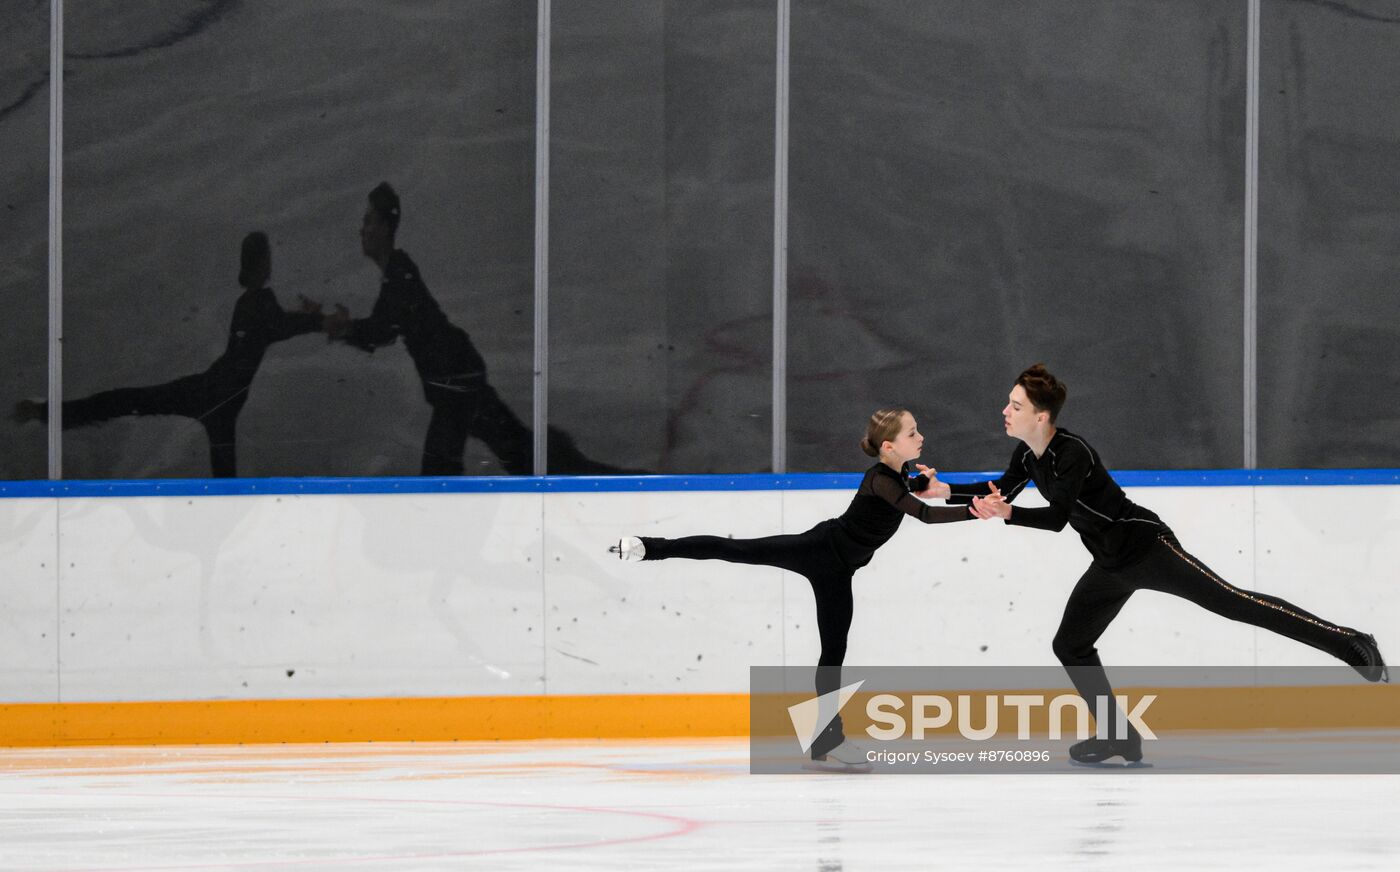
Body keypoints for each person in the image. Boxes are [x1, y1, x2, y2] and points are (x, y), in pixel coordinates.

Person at [923, 363, 1388, 766]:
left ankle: (1350, 642)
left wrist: (1008, 515)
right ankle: (1118, 735)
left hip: (1149, 548)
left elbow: (1057, 518)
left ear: (1041, 417)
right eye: (1009, 403)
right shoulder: (1027, 453)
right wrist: (948, 492)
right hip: (1110, 563)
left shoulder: (1073, 452)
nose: (1006, 411)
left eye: (1016, 405)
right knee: (1071, 644)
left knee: (1233, 602)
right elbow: (1001, 489)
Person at [611, 408, 974, 771]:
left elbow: (906, 494)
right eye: (913, 433)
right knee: (736, 549)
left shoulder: (900, 474)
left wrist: (924, 486)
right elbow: (922, 514)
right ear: (890, 446)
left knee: (834, 650)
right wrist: (974, 511)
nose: (921, 437)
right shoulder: (880, 478)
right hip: (818, 550)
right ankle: (649, 547)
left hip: (839, 571)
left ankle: (825, 741)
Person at [324, 182, 634, 476]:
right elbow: (387, 327)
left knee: (442, 474)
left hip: (455, 385)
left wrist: (346, 329)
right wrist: (348, 329)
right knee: (516, 453)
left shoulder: (400, 273)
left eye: (368, 222)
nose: (361, 230)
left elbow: (383, 329)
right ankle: (576, 468)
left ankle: (590, 475)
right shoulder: (398, 273)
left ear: (384, 228)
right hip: (458, 380)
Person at [13, 232, 323, 477]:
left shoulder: (250, 302)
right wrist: (318, 320)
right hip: (215, 396)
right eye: (268, 257)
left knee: (129, 402)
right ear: (263, 263)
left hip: (215, 396)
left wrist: (307, 318)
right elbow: (278, 327)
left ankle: (46, 413)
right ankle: (45, 413)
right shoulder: (260, 302)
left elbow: (274, 327)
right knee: (130, 402)